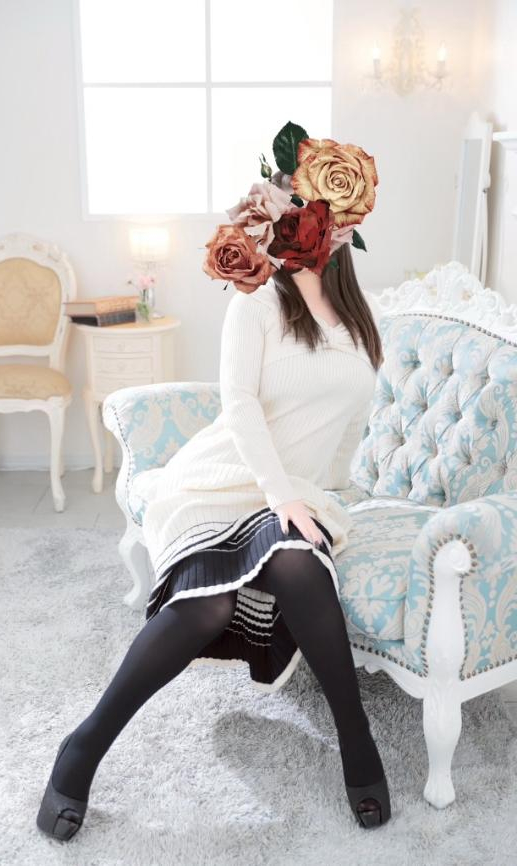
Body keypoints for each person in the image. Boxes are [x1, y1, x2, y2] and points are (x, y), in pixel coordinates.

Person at [37, 121, 392, 841]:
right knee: (204, 608)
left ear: (345, 224)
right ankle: (82, 748)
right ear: (278, 220)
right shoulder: (255, 304)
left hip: (297, 489)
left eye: (324, 215)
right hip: (221, 481)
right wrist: (282, 494)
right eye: (296, 213)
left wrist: (320, 494)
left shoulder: (361, 316)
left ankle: (356, 740)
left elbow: (349, 418)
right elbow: (239, 407)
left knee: (296, 561)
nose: (310, 227)